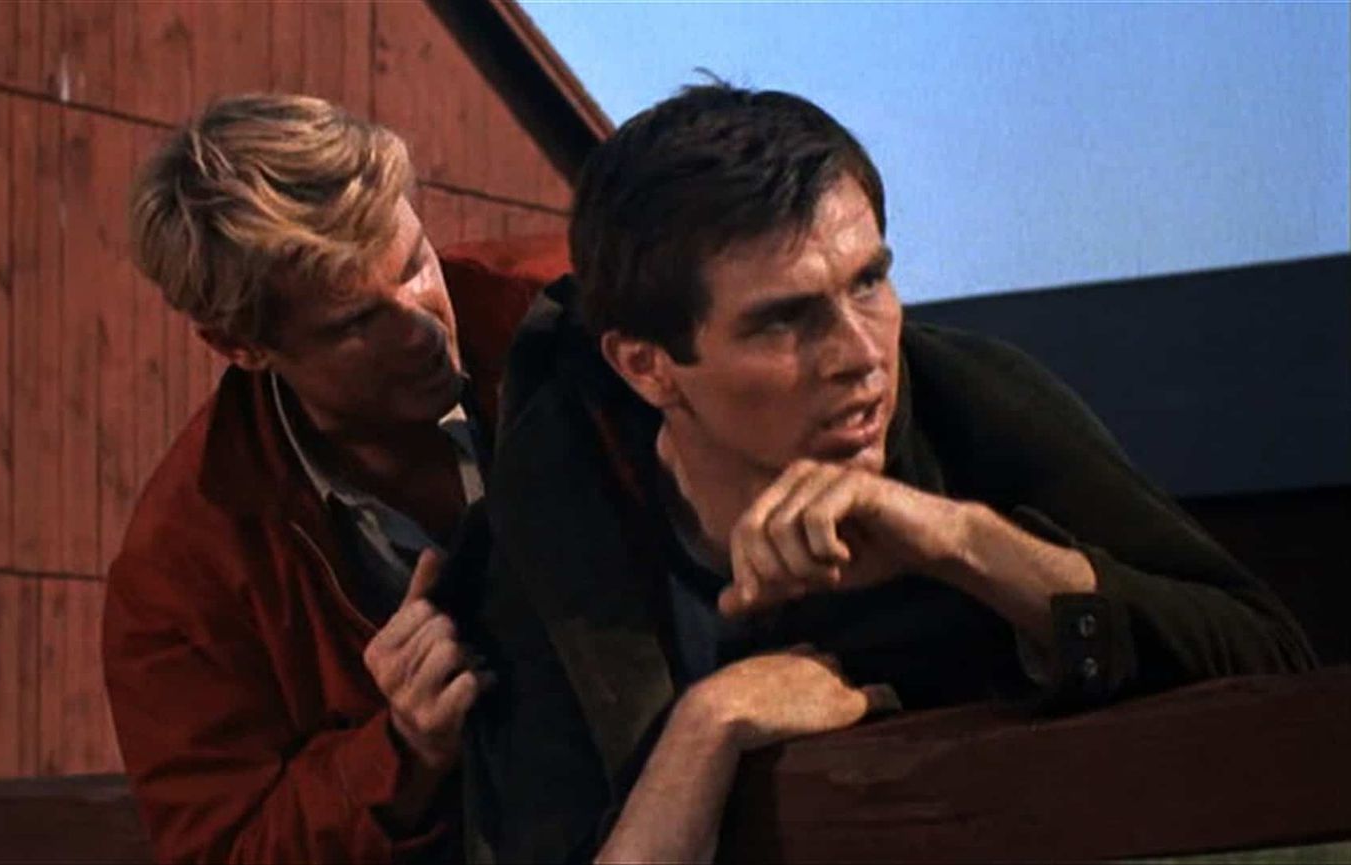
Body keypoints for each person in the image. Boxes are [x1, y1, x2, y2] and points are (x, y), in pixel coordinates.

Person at [462, 83, 1316, 862]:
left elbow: (1271, 664)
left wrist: (969, 544)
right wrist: (707, 727)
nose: (862, 355)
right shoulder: (562, 508)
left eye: (870, 281)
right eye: (784, 321)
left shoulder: (967, 403)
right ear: (648, 367)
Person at [103, 94, 491, 863]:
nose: (420, 325)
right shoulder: (182, 575)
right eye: (357, 321)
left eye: (416, 262)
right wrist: (402, 751)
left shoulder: (567, 309)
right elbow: (227, 848)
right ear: (240, 346)